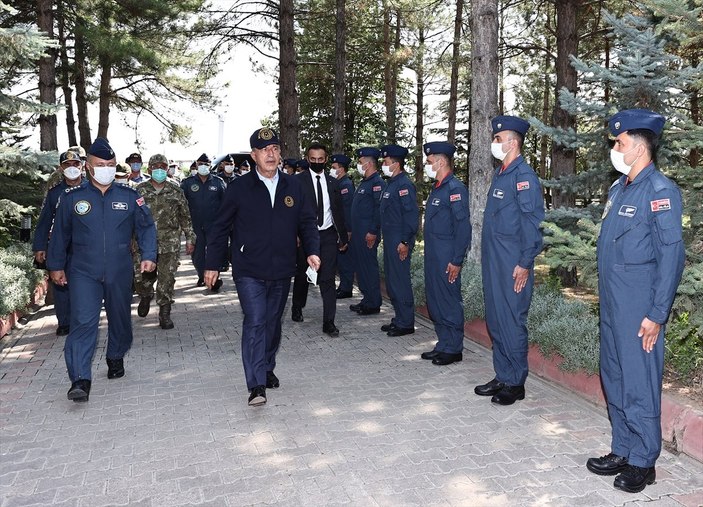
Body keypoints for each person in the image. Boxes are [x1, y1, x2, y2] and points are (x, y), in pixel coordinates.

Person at [586, 109, 684, 493]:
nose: (614, 147)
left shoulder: (660, 192)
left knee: (639, 381)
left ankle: (644, 460)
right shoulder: (618, 189)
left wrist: (656, 314)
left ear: (639, 147)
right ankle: (623, 447)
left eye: (619, 142)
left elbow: (671, 257)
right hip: (613, 305)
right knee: (614, 375)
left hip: (640, 308)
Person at [204, 127, 320, 407]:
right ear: (254, 155)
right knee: (255, 321)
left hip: (282, 267)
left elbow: (306, 221)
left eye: (275, 149)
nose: (271, 153)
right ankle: (256, 384)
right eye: (264, 150)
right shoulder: (239, 188)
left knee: (272, 323)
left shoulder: (294, 186)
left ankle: (267, 367)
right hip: (249, 269)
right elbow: (220, 228)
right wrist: (212, 264)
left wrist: (312, 251)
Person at [46, 137, 157, 403]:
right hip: (83, 271)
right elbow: (60, 235)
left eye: (110, 164)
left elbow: (146, 227)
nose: (106, 168)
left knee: (120, 319)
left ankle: (116, 354)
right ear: (88, 166)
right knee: (83, 322)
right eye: (100, 164)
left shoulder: (130, 195)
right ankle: (80, 379)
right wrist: (55, 266)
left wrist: (149, 255)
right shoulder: (73, 198)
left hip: (120, 270)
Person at [474, 116, 544, 404]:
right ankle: (502, 374)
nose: (494, 143)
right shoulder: (501, 174)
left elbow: (533, 224)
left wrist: (525, 263)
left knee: (512, 322)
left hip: (513, 265)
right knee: (496, 320)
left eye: (498, 139)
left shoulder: (524, 178)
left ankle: (516, 383)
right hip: (495, 263)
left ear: (513, 143)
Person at [420, 142, 471, 365]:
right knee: (435, 301)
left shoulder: (455, 189)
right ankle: (443, 343)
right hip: (433, 256)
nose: (427, 166)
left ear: (441, 162)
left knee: (448, 301)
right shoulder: (438, 187)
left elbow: (463, 228)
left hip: (447, 257)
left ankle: (454, 348)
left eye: (430, 162)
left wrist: (456, 260)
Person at [290, 142, 348, 336]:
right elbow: (291, 211)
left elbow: (338, 211)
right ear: (307, 159)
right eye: (312, 159)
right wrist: (296, 234)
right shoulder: (297, 182)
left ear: (326, 159)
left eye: (320, 159)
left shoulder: (333, 182)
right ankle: (297, 306)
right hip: (305, 236)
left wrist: (343, 235)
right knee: (302, 275)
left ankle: (329, 322)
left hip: (328, 235)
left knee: (328, 279)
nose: (316, 162)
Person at [135, 154, 196, 329]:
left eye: (163, 166)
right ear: (149, 169)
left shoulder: (176, 191)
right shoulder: (139, 191)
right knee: (142, 278)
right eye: (156, 167)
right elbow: (131, 218)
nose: (159, 170)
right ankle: (145, 295)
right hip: (144, 245)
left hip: (170, 242)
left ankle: (164, 313)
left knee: (167, 278)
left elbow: (185, 217)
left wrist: (190, 238)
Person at [33, 150, 85, 336]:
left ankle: (84, 319)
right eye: (67, 165)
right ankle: (64, 321)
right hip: (60, 246)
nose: (72, 168)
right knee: (60, 284)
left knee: (84, 284)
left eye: (75, 164)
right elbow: (44, 220)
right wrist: (40, 246)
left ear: (82, 166)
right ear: (61, 168)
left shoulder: (91, 189)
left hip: (85, 246)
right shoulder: (55, 193)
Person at [379, 144, 419, 336]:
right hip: (390, 238)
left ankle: (406, 323)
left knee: (400, 281)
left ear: (396, 164)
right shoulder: (392, 183)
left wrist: (404, 241)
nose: (383, 165)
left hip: (399, 240)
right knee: (393, 281)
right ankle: (399, 318)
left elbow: (411, 216)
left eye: (386, 162)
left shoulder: (404, 185)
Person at [180, 153, 226, 289]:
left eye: (206, 164)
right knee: (198, 253)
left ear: (210, 166)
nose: (203, 167)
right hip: (195, 225)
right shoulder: (187, 183)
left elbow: (226, 204)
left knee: (214, 251)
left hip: (214, 225)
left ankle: (214, 277)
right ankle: (202, 275)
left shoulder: (218, 182)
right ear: (196, 164)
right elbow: (182, 205)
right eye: (200, 164)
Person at [348, 147, 386, 315]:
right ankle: (367, 299)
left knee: (369, 267)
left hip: (368, 234)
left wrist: (373, 231)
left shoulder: (377, 183)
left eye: (361, 162)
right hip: (358, 234)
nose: (359, 164)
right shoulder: (365, 182)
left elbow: (378, 210)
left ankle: (373, 302)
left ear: (369, 164)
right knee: (361, 268)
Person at [330, 154, 355, 299]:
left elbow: (347, 210)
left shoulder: (345, 185)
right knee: (340, 259)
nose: (331, 170)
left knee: (345, 260)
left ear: (341, 169)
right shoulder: (338, 184)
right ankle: (343, 286)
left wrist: (347, 230)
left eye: (334, 168)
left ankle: (346, 288)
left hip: (344, 229)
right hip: (338, 228)